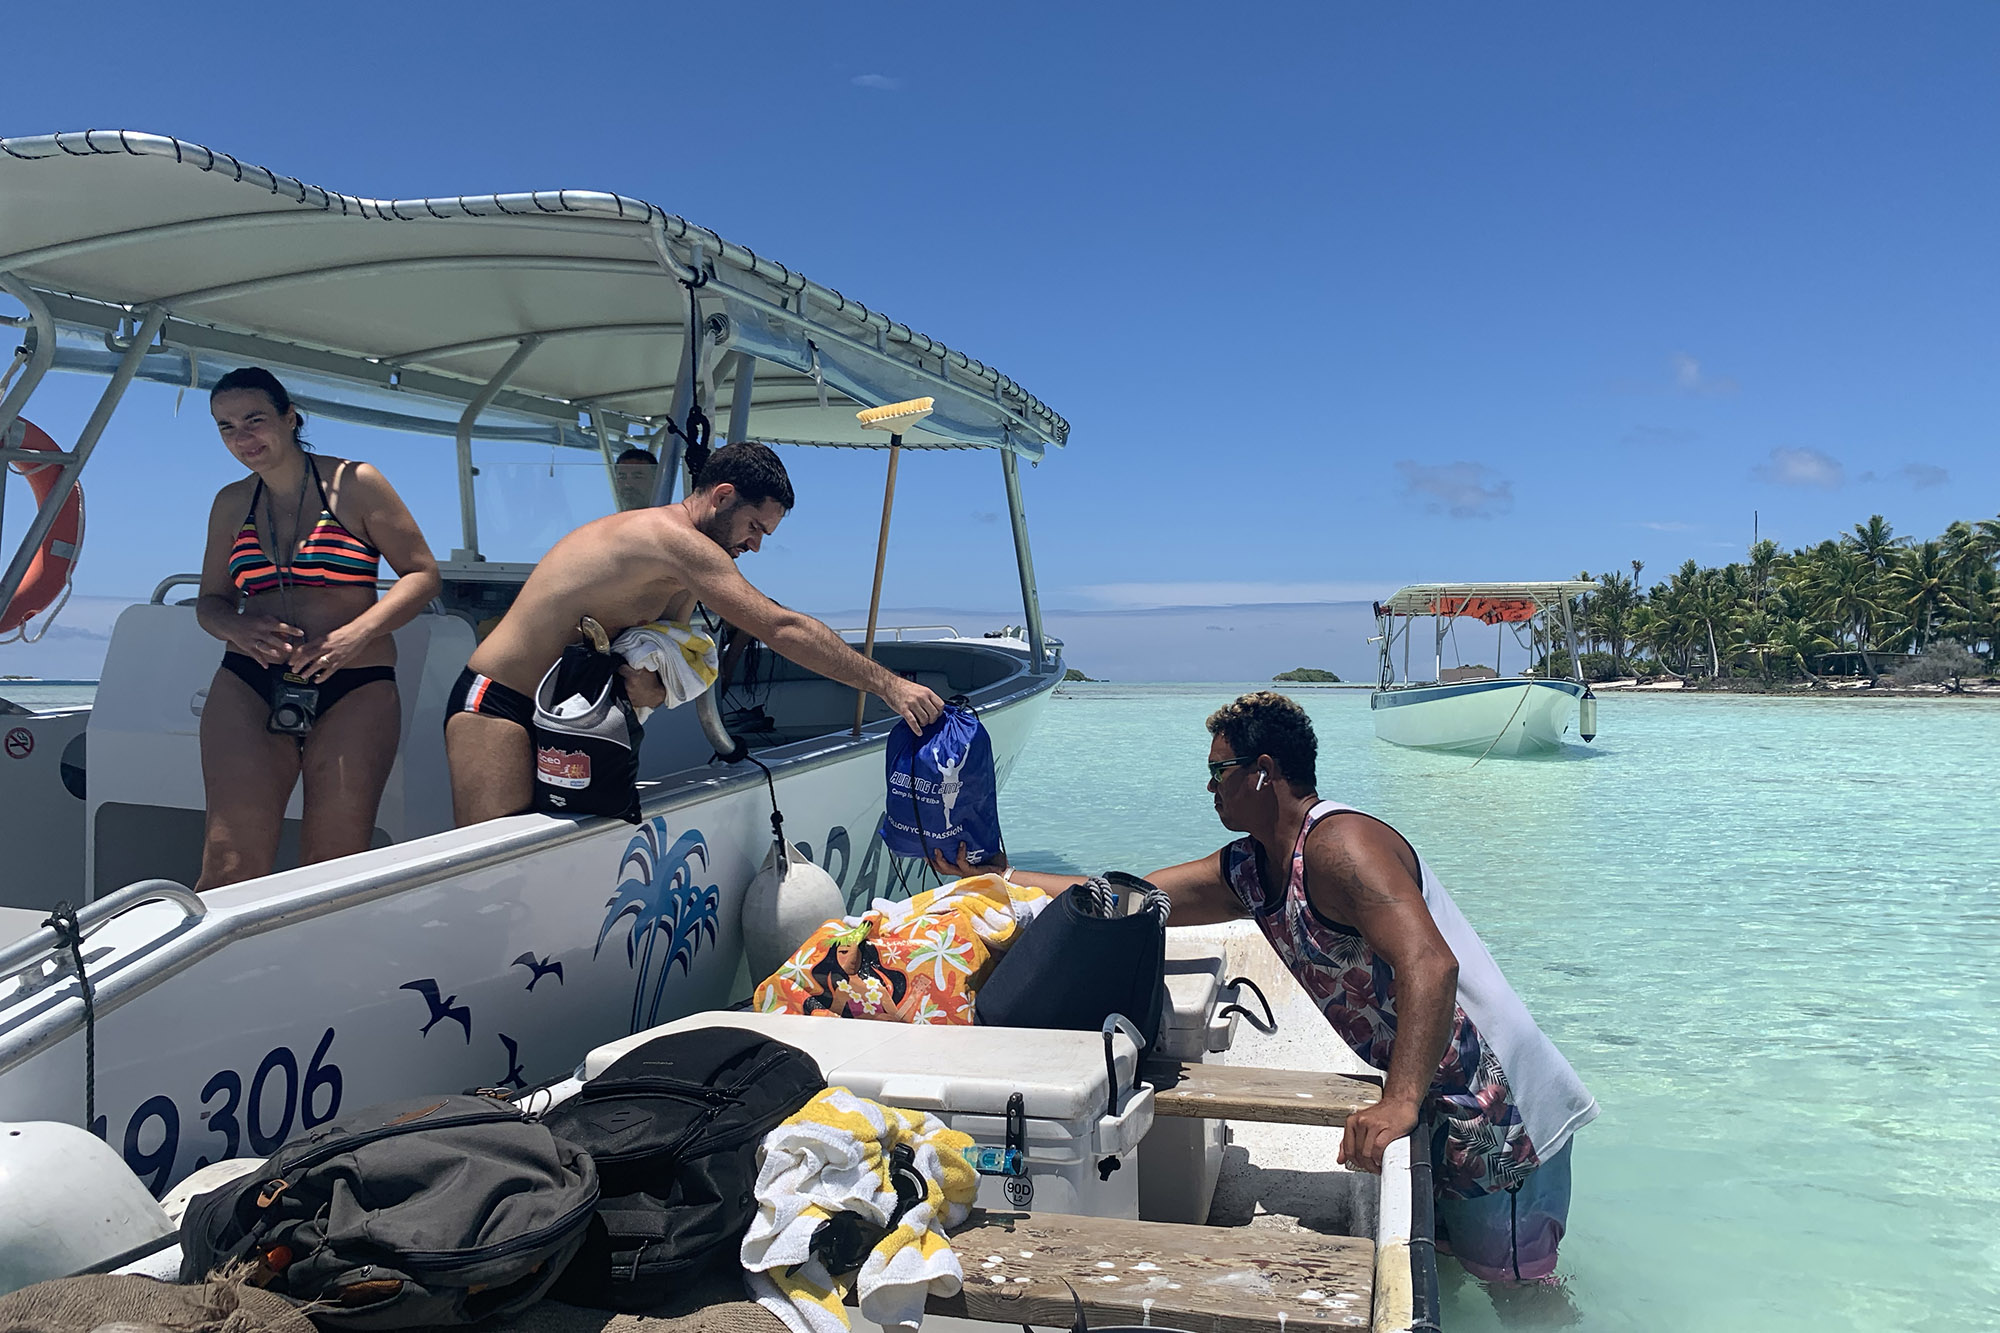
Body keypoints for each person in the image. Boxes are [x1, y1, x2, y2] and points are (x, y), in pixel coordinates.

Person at [935, 690, 1596, 1288]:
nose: (1209, 786)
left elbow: (1432, 964)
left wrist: (1396, 1104)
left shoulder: (1343, 844)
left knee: (1520, 1296)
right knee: (1457, 1274)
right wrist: (1002, 878)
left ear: (1264, 771)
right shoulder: (1252, 869)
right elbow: (1127, 895)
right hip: (1436, 1096)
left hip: (1500, 1110)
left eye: (1220, 771)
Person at [446, 440, 944, 825]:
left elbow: (662, 662)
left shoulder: (684, 574)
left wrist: (654, 687)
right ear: (723, 496)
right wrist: (889, 685)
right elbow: (780, 626)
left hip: (574, 718)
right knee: (492, 876)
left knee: (546, 864)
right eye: (753, 526)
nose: (755, 544)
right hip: (499, 703)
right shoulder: (671, 541)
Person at [193, 367, 441, 889]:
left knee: (333, 867)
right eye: (226, 427)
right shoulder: (230, 502)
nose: (242, 438)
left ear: (289, 417)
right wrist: (236, 628)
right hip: (250, 680)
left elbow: (421, 575)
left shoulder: (356, 483)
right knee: (228, 864)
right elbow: (210, 603)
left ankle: (324, 971)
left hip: (355, 683)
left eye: (255, 420)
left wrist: (356, 635)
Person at [611, 446, 658, 511]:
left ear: (655, 480)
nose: (628, 484)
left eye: (637, 477)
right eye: (622, 477)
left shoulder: (670, 519)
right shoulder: (609, 520)